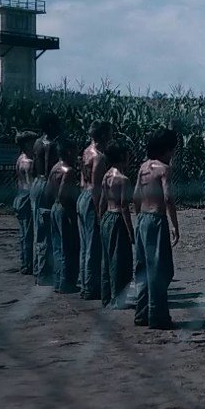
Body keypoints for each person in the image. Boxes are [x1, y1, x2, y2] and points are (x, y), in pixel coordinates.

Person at [133, 128, 181, 330]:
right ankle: (158, 315)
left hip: (143, 218)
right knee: (159, 269)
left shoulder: (143, 167)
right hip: (156, 219)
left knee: (143, 267)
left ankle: (142, 312)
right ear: (166, 150)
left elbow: (136, 195)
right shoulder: (164, 169)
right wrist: (174, 225)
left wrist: (139, 218)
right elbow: (168, 198)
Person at [78, 121, 113, 300]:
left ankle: (86, 283)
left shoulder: (86, 151)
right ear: (104, 135)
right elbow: (96, 187)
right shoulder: (99, 157)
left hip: (82, 196)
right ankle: (91, 287)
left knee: (85, 244)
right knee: (93, 245)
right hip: (92, 199)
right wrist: (100, 211)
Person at [100, 142, 136, 309]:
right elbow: (124, 206)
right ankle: (117, 298)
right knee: (119, 259)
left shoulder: (106, 176)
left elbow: (102, 201)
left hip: (107, 217)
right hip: (117, 219)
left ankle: (107, 296)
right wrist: (130, 231)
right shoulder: (123, 179)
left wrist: (101, 220)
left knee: (107, 258)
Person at [31, 112, 63, 287]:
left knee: (38, 229)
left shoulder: (37, 142)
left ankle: (39, 270)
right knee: (46, 230)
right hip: (47, 185)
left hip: (37, 184)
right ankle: (44, 274)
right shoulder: (52, 144)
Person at [47, 138, 81, 294]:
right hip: (65, 209)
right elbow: (63, 195)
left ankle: (58, 281)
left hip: (54, 207)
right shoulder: (69, 171)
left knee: (57, 246)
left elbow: (49, 191)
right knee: (68, 247)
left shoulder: (54, 168)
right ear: (69, 152)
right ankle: (67, 283)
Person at [13, 131, 38, 275]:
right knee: (28, 233)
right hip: (26, 197)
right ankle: (28, 263)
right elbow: (31, 184)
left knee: (24, 232)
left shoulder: (20, 158)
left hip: (20, 196)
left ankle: (25, 261)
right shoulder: (28, 162)